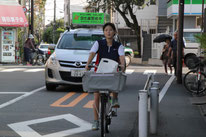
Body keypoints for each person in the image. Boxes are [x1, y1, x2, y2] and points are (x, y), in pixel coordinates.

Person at [85, 23, 125, 130]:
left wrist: (123, 65)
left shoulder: (119, 46)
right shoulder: (98, 43)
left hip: (113, 72)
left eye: (111, 30)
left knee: (117, 78)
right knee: (96, 97)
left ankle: (115, 99)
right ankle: (95, 121)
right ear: (104, 32)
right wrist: (88, 64)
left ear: (114, 32)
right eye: (106, 30)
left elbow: (121, 57)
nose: (108, 32)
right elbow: (92, 53)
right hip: (99, 72)